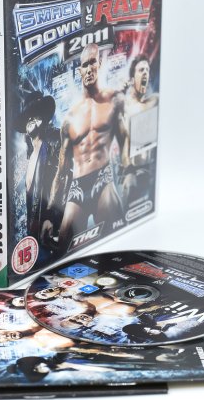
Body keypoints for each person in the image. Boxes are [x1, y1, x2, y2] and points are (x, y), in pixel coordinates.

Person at [42, 43, 129, 253]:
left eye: (92, 63)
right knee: (62, 247)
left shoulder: (114, 101)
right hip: (78, 187)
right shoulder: (69, 119)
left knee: (116, 235)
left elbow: (125, 137)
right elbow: (62, 171)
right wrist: (50, 214)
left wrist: (126, 168)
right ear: (79, 71)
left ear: (100, 64)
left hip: (102, 179)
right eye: (84, 65)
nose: (89, 69)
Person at [15, 91, 61, 242]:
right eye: (28, 117)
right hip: (35, 232)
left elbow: (64, 178)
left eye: (35, 115)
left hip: (51, 225)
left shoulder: (55, 139)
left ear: (43, 118)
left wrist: (51, 217)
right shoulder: (29, 155)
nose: (31, 120)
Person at [120, 55, 159, 205]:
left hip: (151, 170)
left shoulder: (154, 100)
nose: (145, 73)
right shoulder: (125, 105)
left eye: (147, 70)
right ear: (132, 78)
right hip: (132, 171)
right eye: (141, 70)